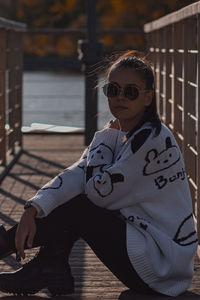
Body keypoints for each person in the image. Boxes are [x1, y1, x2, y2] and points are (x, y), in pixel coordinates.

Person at [0, 50, 197, 297]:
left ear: (148, 98)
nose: (120, 97)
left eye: (131, 92)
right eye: (113, 89)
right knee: (76, 197)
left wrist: (104, 140)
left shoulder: (151, 141)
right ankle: (47, 266)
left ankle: (21, 254)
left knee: (82, 205)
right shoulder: (126, 133)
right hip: (150, 253)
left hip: (162, 268)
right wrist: (33, 209)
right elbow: (80, 171)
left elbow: (96, 193)